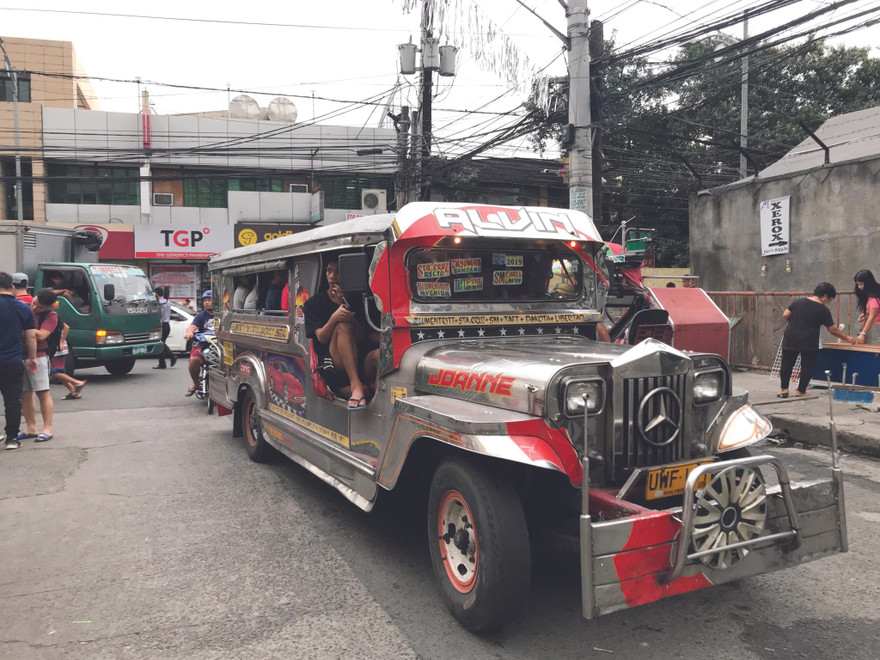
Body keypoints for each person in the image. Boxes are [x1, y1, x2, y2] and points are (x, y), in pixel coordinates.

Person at [304, 261, 378, 411]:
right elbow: (321, 338)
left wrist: (343, 305)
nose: (332, 277)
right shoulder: (313, 303)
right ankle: (356, 386)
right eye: (328, 271)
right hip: (333, 363)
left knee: (381, 355)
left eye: (337, 272)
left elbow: (364, 335)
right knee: (342, 325)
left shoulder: (361, 299)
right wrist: (335, 317)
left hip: (361, 358)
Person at [778, 282, 855, 398]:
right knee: (807, 366)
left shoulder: (799, 301)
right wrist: (847, 338)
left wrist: (795, 321)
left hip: (791, 336)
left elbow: (785, 314)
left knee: (787, 364)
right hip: (809, 340)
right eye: (829, 299)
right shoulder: (823, 310)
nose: (827, 302)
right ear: (825, 296)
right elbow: (832, 330)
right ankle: (801, 391)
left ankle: (784, 389)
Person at [0, 272, 38, 449]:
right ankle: (11, 438)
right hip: (12, 361)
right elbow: (31, 337)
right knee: (13, 400)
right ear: (12, 287)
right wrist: (32, 358)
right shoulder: (23, 308)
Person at [19, 288, 60, 443]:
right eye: (35, 303)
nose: (35, 308)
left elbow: (43, 335)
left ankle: (47, 429)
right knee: (25, 393)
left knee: (42, 392)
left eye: (40, 307)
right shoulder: (25, 305)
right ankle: (31, 428)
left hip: (39, 356)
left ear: (48, 307)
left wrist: (26, 328)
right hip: (20, 354)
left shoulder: (51, 315)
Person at [184, 290, 215, 397]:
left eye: (209, 300)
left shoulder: (223, 315)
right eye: (205, 301)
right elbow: (192, 327)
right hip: (203, 346)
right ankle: (196, 383)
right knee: (194, 361)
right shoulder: (201, 316)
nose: (207, 303)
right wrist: (189, 332)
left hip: (219, 347)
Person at [50, 322, 87, 399]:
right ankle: (73, 392)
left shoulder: (50, 316)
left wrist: (61, 341)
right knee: (60, 373)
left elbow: (66, 327)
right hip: (58, 347)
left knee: (54, 371)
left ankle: (77, 382)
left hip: (57, 348)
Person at [853, 269, 880, 345]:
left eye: (861, 284)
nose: (859, 287)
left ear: (868, 283)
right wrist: (865, 313)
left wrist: (863, 334)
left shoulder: (874, 298)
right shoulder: (875, 292)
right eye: (858, 284)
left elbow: (872, 317)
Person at [154, 286, 177, 369]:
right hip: (167, 324)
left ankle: (171, 356)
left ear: (156, 294)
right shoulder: (167, 302)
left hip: (162, 325)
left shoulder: (160, 303)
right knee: (162, 343)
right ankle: (162, 363)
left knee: (161, 343)